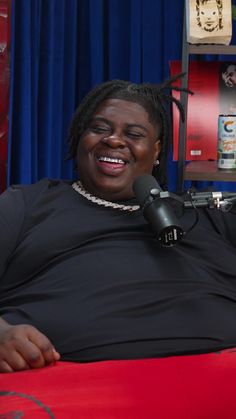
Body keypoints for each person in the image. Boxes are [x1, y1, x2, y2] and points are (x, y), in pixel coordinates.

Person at [0, 75, 236, 376]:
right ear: (79, 138)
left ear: (156, 151)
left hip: (219, 380)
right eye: (99, 129)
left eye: (134, 134)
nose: (113, 140)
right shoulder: (27, 205)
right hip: (69, 386)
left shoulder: (205, 213)